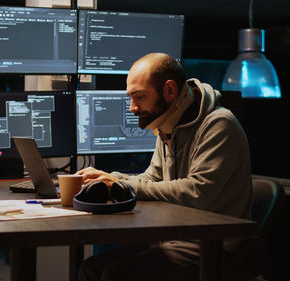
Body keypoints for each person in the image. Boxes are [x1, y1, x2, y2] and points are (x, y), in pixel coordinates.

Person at [76, 53, 264, 281]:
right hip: (178, 237)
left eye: (140, 97)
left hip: (215, 247)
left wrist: (121, 184)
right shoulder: (168, 125)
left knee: (116, 275)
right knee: (91, 268)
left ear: (170, 91)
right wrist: (110, 178)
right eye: (131, 98)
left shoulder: (219, 125)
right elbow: (152, 178)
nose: (133, 108)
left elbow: (197, 192)